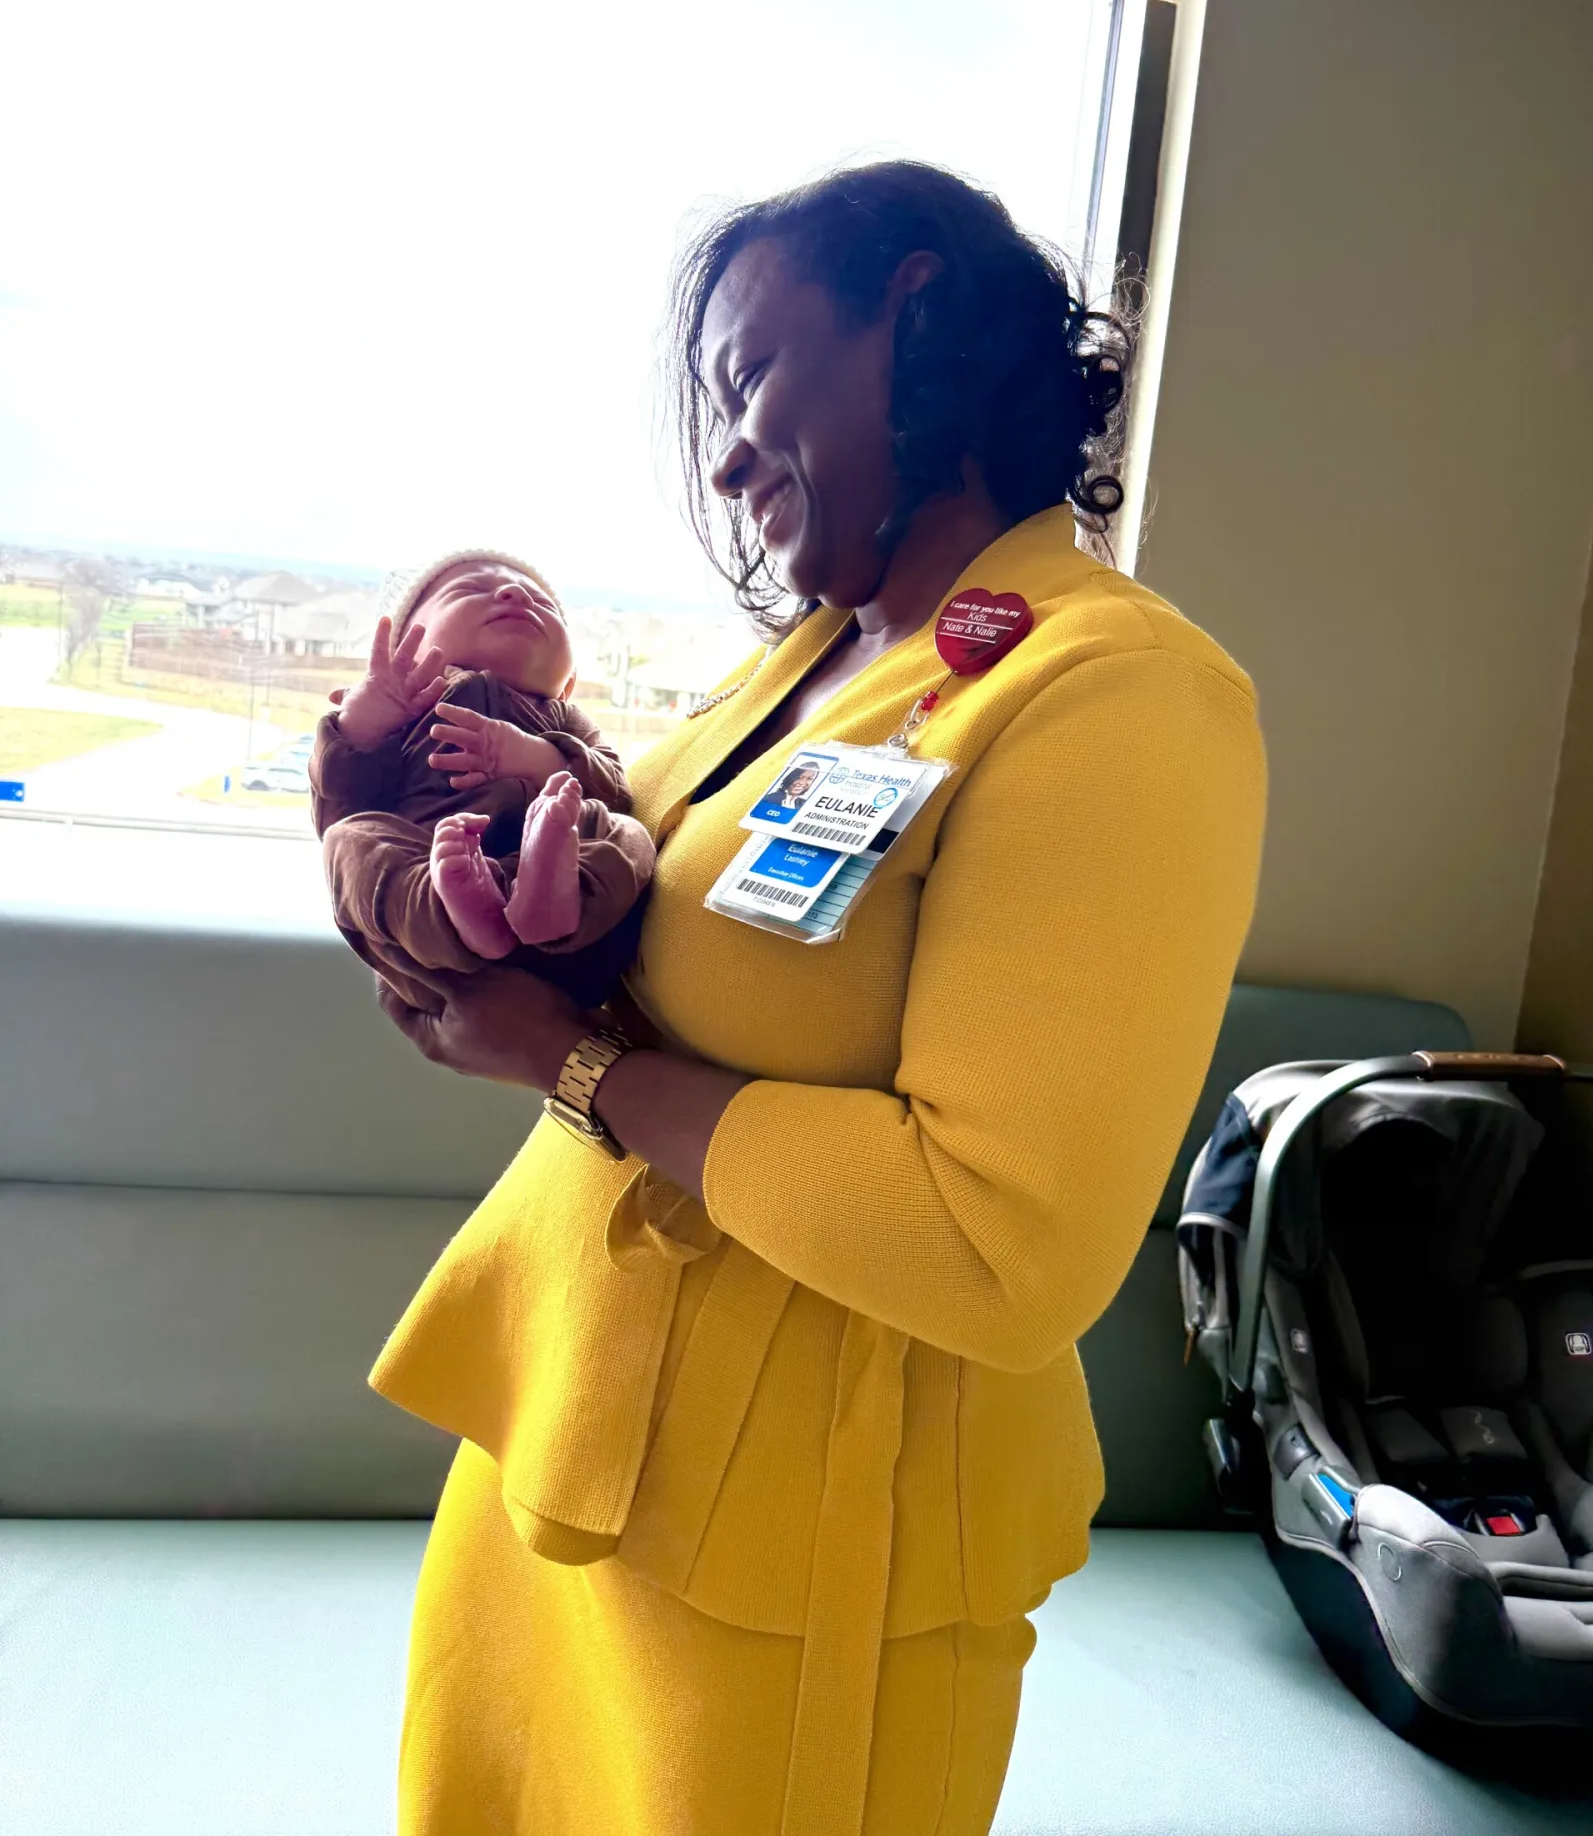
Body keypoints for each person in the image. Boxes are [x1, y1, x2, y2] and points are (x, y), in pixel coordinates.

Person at [369, 162, 1267, 1835]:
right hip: (562, 1441)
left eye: (751, 377)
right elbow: (655, 918)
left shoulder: (1121, 698)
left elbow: (999, 1248)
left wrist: (572, 1064)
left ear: (912, 312)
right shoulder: (818, 656)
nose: (725, 453)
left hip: (795, 1546)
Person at [309, 551, 655, 1011]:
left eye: (543, 605)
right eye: (469, 590)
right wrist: (359, 728)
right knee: (351, 839)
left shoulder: (565, 718)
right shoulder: (400, 711)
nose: (513, 595)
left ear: (568, 682)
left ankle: (555, 901)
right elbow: (342, 804)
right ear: (405, 655)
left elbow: (615, 790)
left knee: (625, 833)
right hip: (434, 933)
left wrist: (539, 758)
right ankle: (450, 907)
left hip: (569, 930)